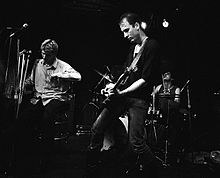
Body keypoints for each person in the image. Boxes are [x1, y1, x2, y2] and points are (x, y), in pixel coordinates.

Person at [85, 12, 161, 177]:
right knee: (97, 128)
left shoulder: (152, 46)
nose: (125, 35)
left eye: (127, 30)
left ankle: (156, 170)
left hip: (139, 100)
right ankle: (91, 166)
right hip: (123, 96)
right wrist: (113, 86)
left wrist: (123, 92)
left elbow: (145, 79)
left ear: (136, 26)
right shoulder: (132, 48)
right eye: (122, 32)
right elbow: (127, 76)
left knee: (137, 142)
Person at [13, 39, 82, 174]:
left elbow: (78, 76)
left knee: (47, 118)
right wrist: (22, 85)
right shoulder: (37, 63)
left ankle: (46, 158)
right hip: (40, 97)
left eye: (48, 55)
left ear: (54, 54)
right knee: (23, 119)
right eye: (43, 53)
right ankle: (25, 155)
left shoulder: (62, 65)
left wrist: (61, 74)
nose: (44, 57)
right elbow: (31, 80)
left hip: (57, 98)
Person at [153, 71, 182, 164]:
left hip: (172, 117)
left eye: (168, 81)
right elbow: (152, 96)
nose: (166, 83)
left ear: (171, 80)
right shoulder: (159, 87)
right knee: (158, 134)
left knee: (172, 135)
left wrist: (169, 98)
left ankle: (172, 155)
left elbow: (177, 103)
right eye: (164, 80)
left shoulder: (176, 89)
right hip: (161, 116)